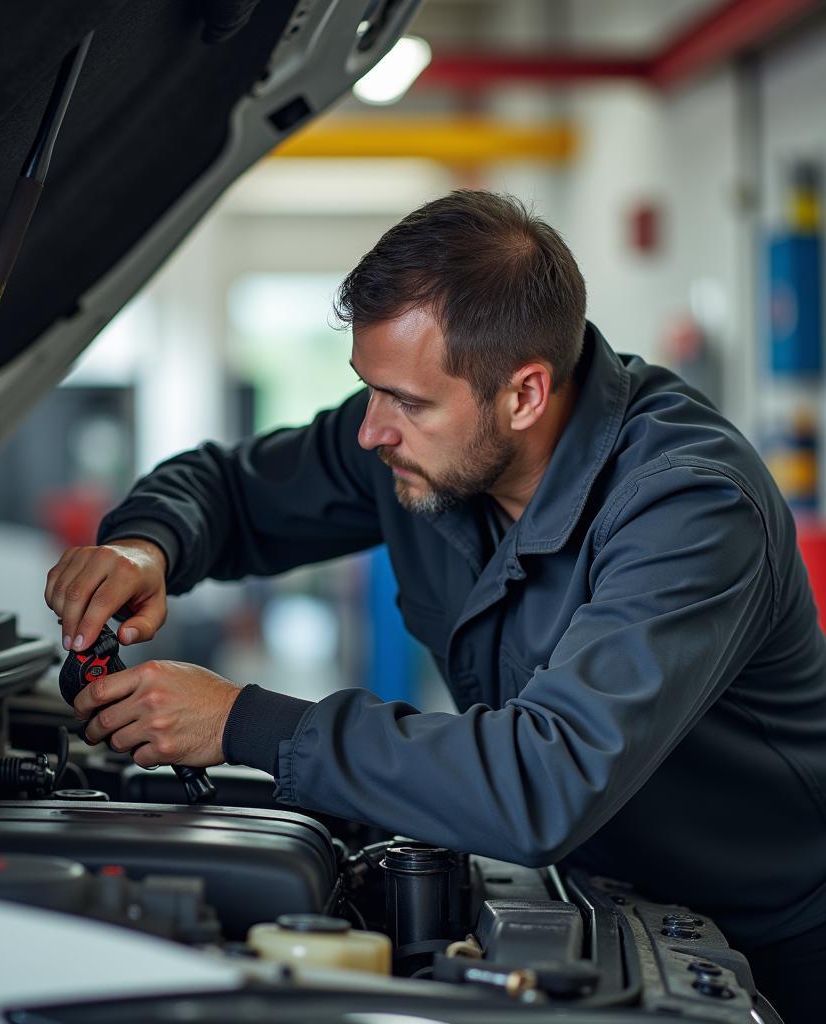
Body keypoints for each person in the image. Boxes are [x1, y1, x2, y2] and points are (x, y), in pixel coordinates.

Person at [44, 190, 826, 1020]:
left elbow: (543, 779)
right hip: (588, 892)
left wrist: (242, 721)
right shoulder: (426, 439)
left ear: (524, 394)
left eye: (406, 403)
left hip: (772, 945)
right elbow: (231, 490)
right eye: (369, 390)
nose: (370, 432)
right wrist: (145, 545)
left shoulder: (690, 506)